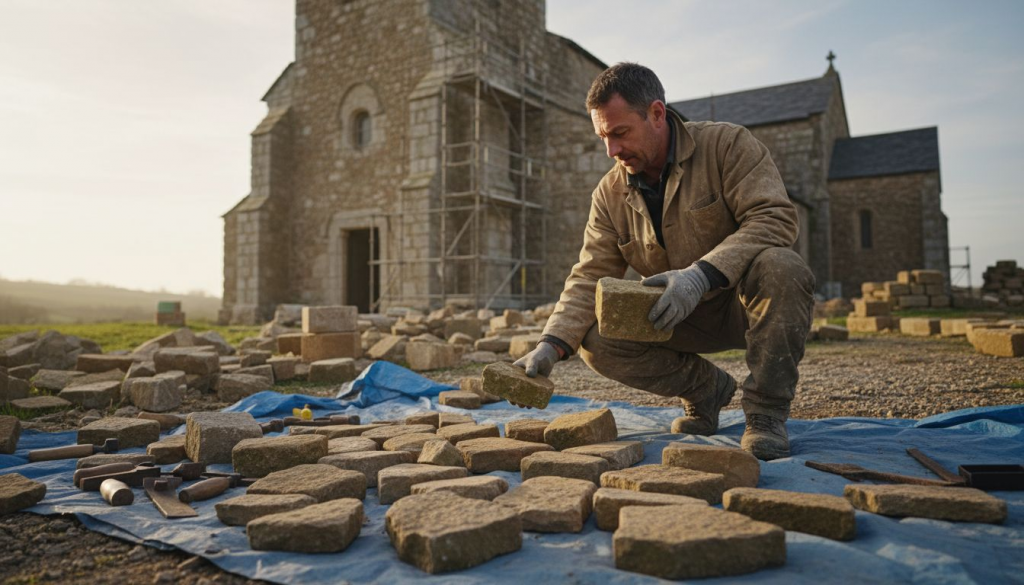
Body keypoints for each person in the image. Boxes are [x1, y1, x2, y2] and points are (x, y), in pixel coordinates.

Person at [514, 63, 815, 461]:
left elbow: (775, 218)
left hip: (741, 308)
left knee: (783, 267)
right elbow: (591, 273)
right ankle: (707, 391)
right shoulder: (609, 193)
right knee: (594, 338)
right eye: (603, 136)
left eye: (620, 133)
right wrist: (550, 345)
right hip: (673, 317)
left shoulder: (726, 146)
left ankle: (765, 415)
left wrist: (700, 276)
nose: (612, 150)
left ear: (657, 114)